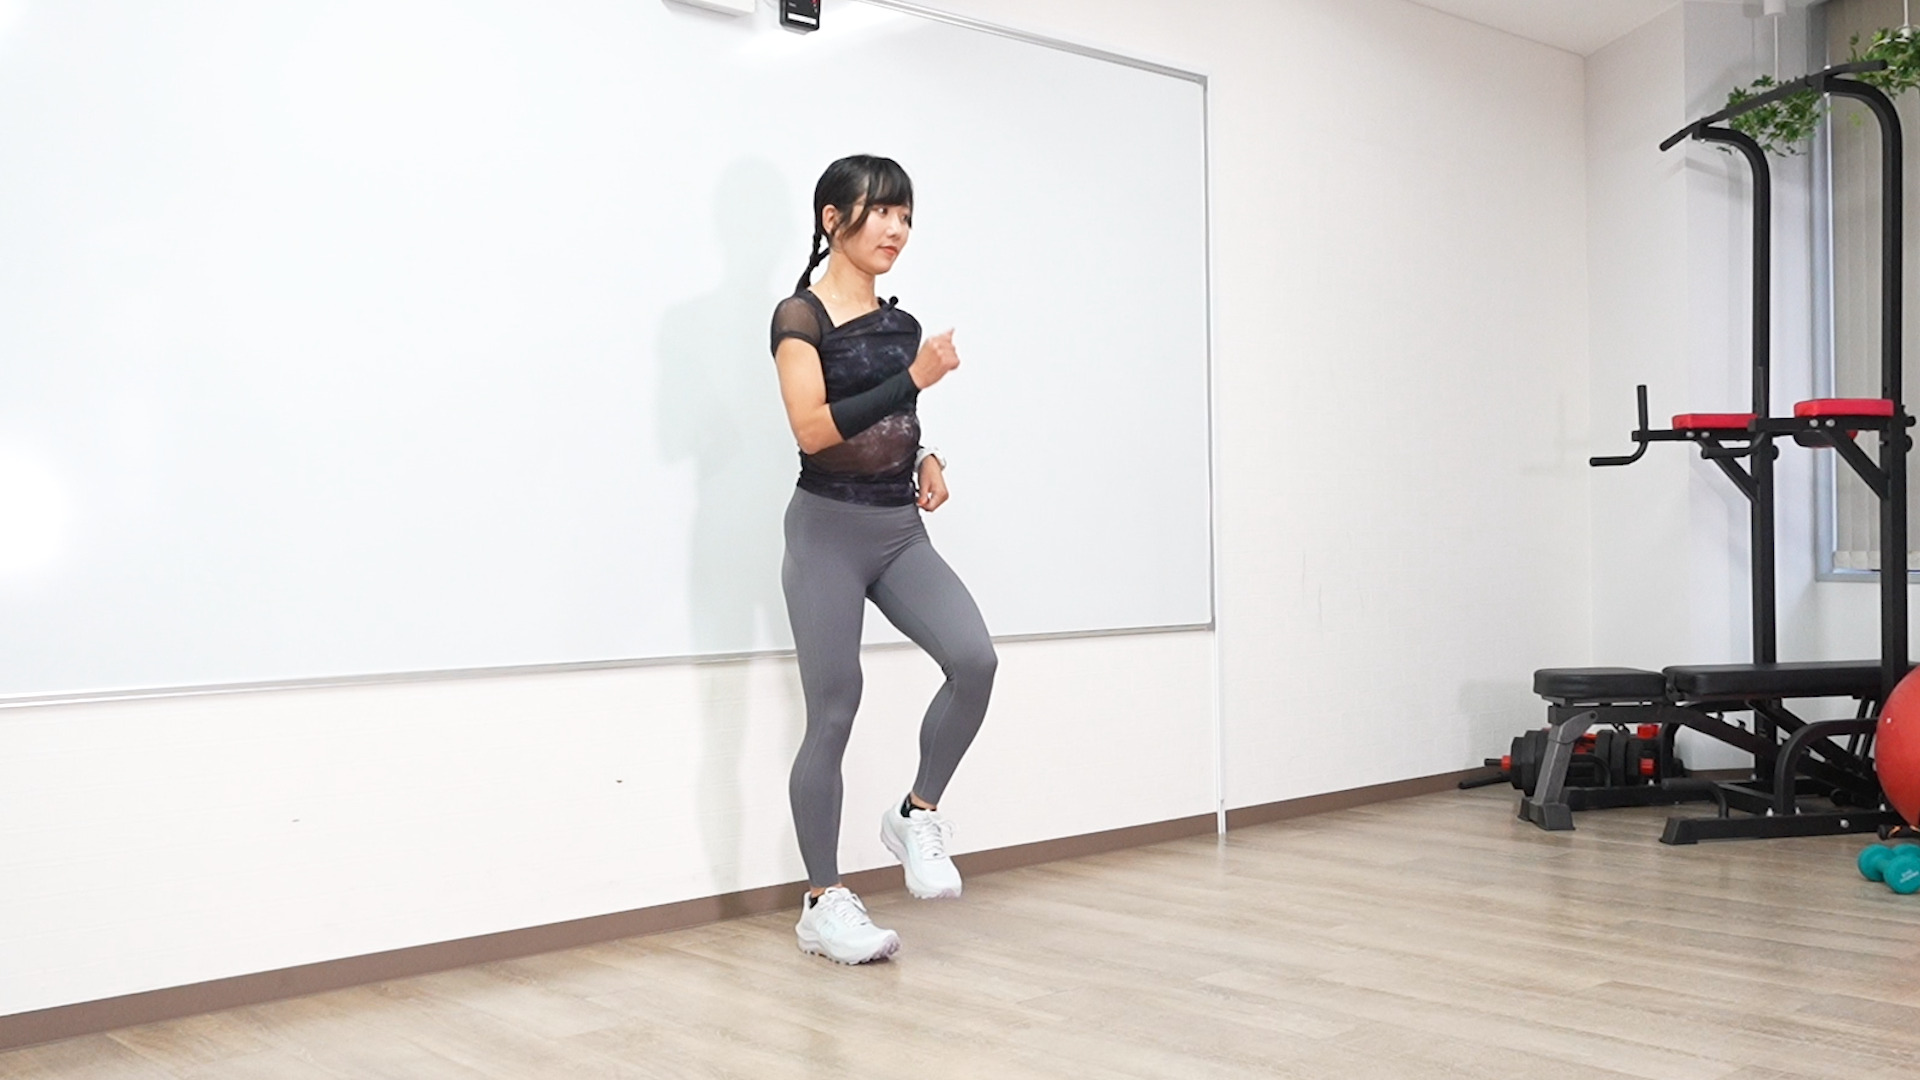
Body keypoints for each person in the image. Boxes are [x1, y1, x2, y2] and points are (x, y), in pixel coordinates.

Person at [769, 155, 997, 964]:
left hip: (897, 529)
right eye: (882, 212)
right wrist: (915, 378)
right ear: (833, 219)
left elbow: (893, 420)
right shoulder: (799, 317)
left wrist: (927, 454)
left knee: (974, 660)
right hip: (827, 532)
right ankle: (823, 901)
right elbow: (813, 429)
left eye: (906, 215)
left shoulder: (901, 326)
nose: (897, 229)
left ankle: (914, 813)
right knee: (835, 711)